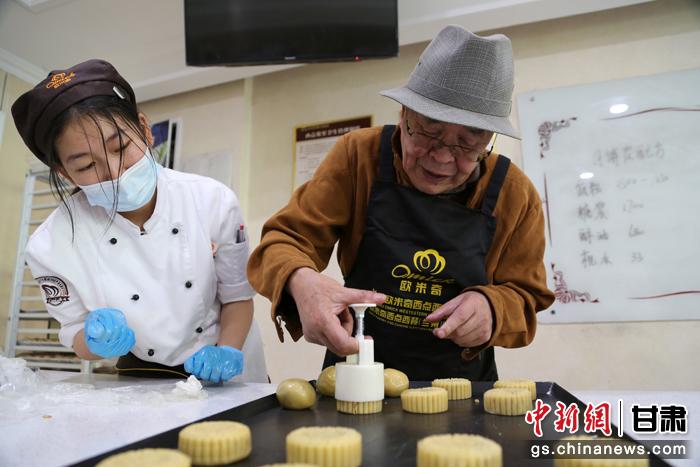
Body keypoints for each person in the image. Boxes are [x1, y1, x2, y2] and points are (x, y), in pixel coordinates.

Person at [247, 26, 554, 381]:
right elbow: (281, 243)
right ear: (403, 115)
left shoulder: (515, 194)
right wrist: (301, 281)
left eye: (467, 145)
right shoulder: (357, 157)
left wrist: (494, 307)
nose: (440, 158)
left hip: (461, 387)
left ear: (488, 139)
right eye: (428, 132)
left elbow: (527, 294)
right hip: (356, 374)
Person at [11, 59, 267, 383]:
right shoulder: (51, 244)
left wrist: (227, 351)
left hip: (230, 368)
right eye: (87, 165)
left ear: (144, 129)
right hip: (142, 379)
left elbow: (237, 298)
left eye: (121, 147)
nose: (114, 172)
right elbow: (74, 332)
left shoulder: (211, 201)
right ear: (64, 172)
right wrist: (93, 341)